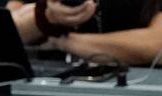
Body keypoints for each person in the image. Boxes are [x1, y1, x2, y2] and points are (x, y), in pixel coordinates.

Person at [8, 0, 162, 65]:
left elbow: (154, 46)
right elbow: (5, 30)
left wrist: (61, 41)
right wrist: (47, 17)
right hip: (48, 95)